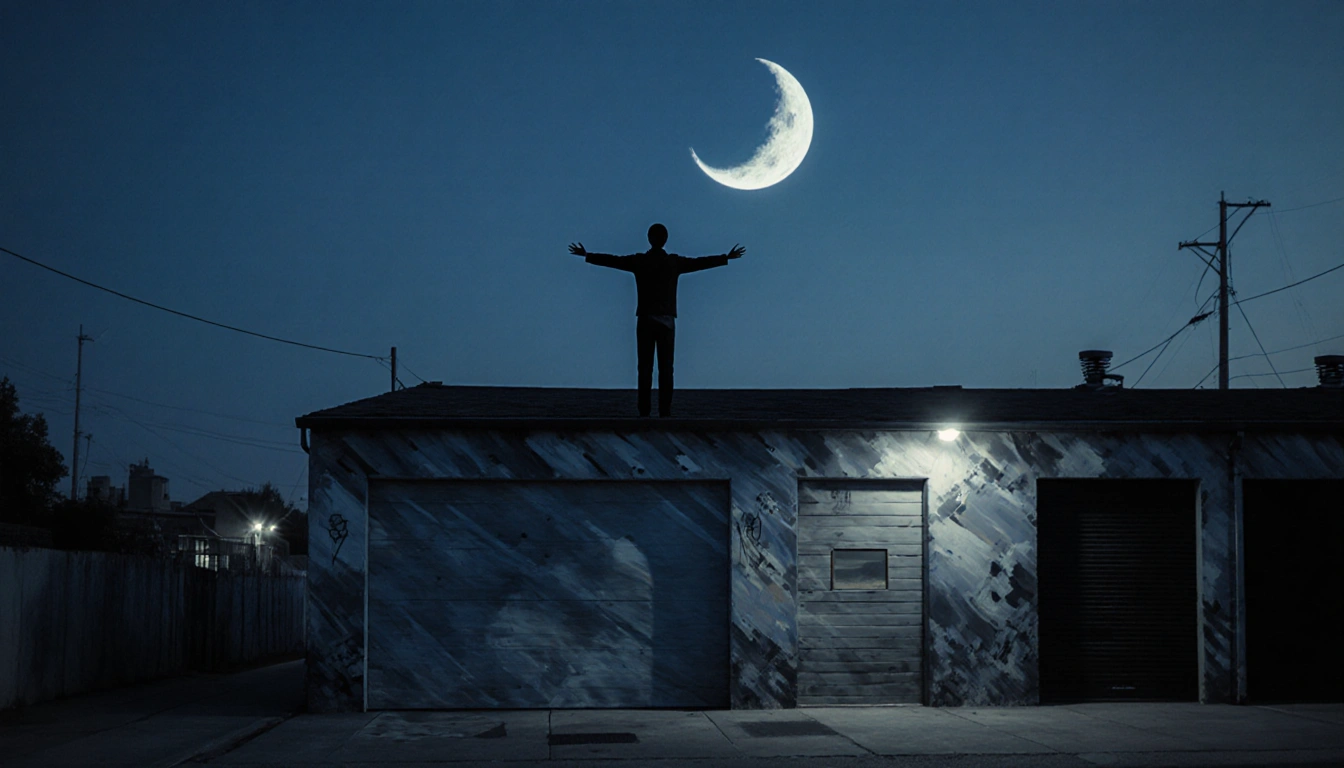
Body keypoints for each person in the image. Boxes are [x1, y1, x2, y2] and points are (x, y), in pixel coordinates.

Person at [569, 223, 745, 417]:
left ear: (649, 239)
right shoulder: (673, 262)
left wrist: (588, 255)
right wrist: (725, 258)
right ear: (665, 239)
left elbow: (614, 261)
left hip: (645, 319)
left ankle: (644, 411)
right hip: (667, 321)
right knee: (666, 368)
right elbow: (698, 263)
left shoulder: (641, 261)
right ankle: (664, 411)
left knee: (645, 368)